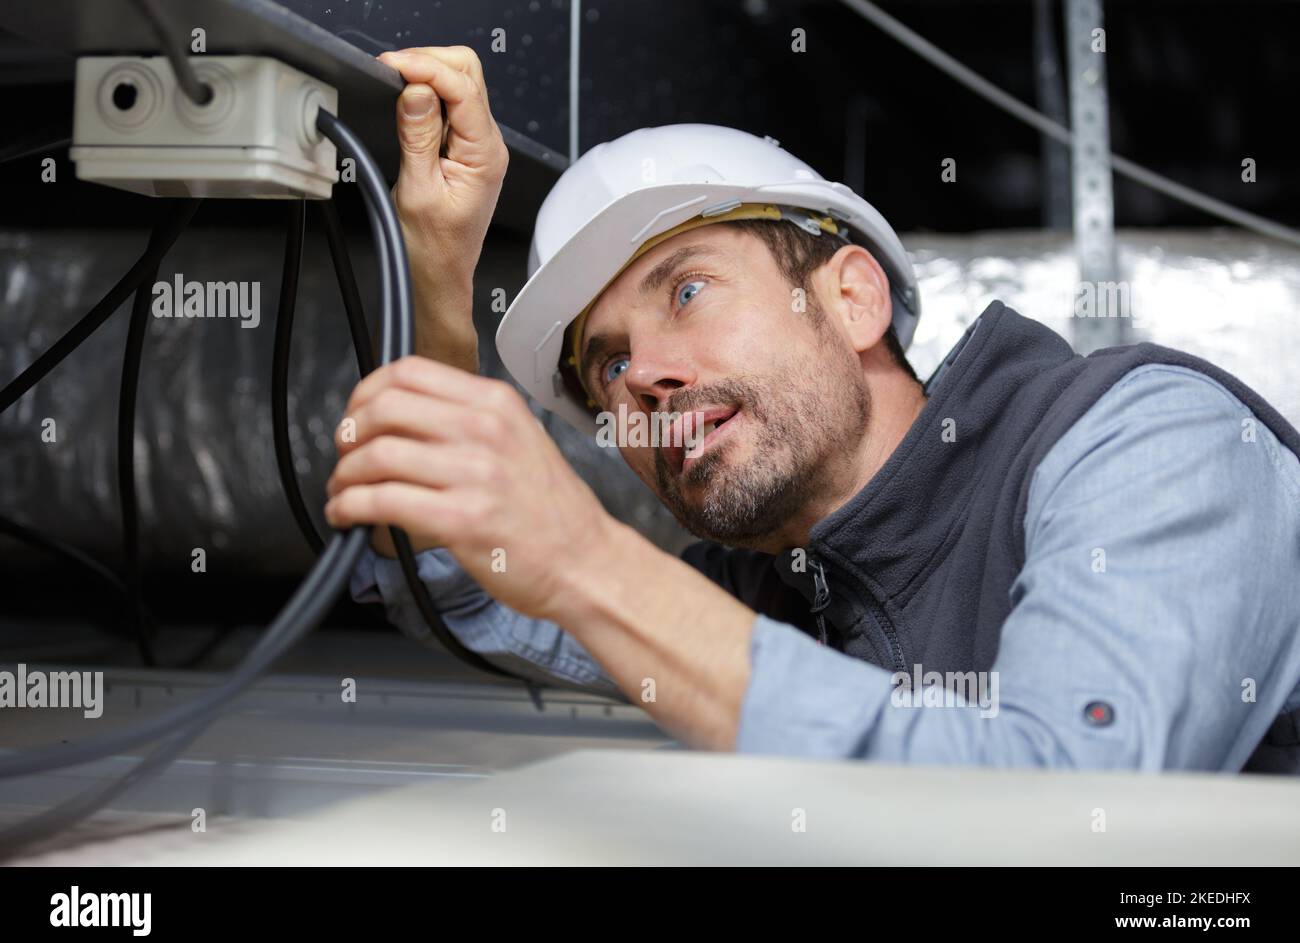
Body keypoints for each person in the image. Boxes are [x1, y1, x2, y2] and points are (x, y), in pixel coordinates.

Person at [324, 46, 1300, 772]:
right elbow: (463, 577)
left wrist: (588, 560)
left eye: (687, 291)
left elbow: (1072, 809)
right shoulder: (777, 588)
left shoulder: (1149, 438)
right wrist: (435, 276)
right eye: (607, 363)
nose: (644, 375)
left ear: (852, 299)